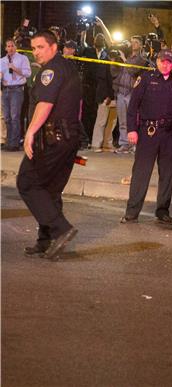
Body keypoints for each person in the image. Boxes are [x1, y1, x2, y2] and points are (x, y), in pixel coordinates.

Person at [16, 30, 82, 260]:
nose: (36, 52)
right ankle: (46, 241)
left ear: (54, 47)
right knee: (49, 189)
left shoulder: (51, 70)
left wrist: (30, 133)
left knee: (27, 181)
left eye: (40, 47)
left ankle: (60, 229)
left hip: (53, 137)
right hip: (67, 137)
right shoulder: (67, 66)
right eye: (33, 48)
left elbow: (45, 103)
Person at [120, 49, 172, 224]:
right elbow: (133, 106)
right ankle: (132, 212)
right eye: (163, 61)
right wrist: (131, 130)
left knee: (168, 174)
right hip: (149, 132)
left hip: (171, 133)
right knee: (141, 172)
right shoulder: (146, 78)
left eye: (169, 62)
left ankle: (162, 211)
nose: (165, 65)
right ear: (157, 60)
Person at [111, 35, 148, 154]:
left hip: (132, 92)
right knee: (122, 120)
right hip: (121, 91)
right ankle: (124, 143)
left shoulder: (142, 57)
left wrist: (123, 59)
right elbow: (114, 73)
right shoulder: (126, 56)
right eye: (132, 42)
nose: (133, 44)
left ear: (141, 45)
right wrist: (114, 61)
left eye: (136, 42)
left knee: (133, 120)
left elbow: (132, 70)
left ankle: (134, 144)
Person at [1, 38, 31, 151]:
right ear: (5, 48)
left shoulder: (23, 58)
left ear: (16, 46)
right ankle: (8, 141)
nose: (10, 48)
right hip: (5, 90)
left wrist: (16, 69)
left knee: (15, 117)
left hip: (17, 90)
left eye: (12, 46)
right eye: (8, 46)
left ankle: (14, 143)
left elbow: (28, 73)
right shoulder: (2, 60)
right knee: (7, 118)